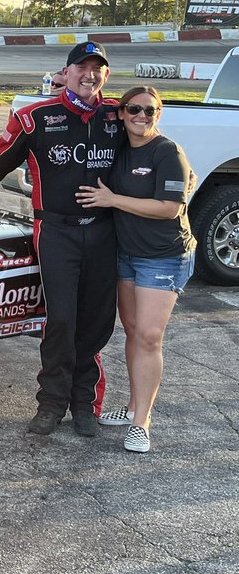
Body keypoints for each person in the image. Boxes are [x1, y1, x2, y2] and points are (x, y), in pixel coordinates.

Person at [0, 41, 120, 437]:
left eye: (97, 68)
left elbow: (154, 154)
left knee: (96, 324)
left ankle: (84, 404)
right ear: (65, 73)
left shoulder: (120, 114)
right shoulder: (34, 117)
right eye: (81, 67)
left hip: (105, 233)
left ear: (106, 75)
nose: (90, 75)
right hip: (56, 232)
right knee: (61, 320)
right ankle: (50, 404)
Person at [74, 86, 195, 453]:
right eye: (135, 109)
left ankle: (142, 422)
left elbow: (168, 208)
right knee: (131, 332)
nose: (143, 116)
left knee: (148, 336)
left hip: (164, 255)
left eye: (151, 111)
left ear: (159, 115)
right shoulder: (121, 149)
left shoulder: (167, 151)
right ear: (122, 113)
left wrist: (112, 200)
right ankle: (131, 408)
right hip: (125, 253)